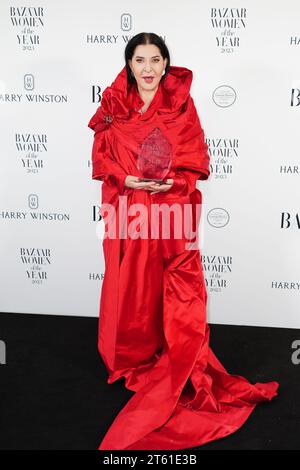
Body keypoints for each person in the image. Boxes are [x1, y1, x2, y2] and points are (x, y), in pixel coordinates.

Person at [88, 32, 279, 451]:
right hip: (130, 210)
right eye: (140, 59)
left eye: (156, 59)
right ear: (129, 64)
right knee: (132, 286)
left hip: (171, 210)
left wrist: (173, 181)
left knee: (176, 288)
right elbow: (101, 156)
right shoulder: (113, 106)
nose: (149, 68)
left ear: (166, 63)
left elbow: (197, 158)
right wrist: (126, 179)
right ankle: (133, 357)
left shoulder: (181, 105)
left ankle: (175, 356)